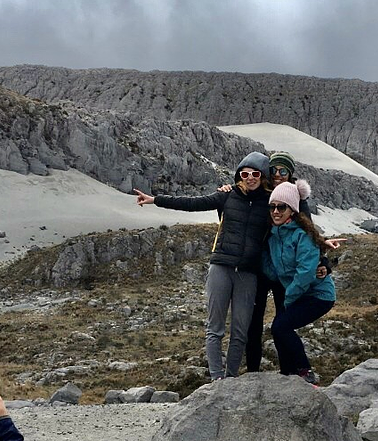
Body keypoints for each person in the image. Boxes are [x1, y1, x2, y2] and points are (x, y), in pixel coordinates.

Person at [134, 152, 272, 380]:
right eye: (245, 173)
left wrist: (321, 246)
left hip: (248, 272)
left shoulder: (269, 203)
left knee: (240, 331)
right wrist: (155, 199)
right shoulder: (227, 196)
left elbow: (293, 215)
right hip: (221, 266)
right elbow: (192, 203)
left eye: (255, 173)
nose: (250, 177)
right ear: (239, 175)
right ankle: (217, 379)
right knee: (214, 328)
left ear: (263, 176)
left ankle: (230, 378)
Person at [245, 151, 337, 372]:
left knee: (281, 325)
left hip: (301, 288)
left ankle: (296, 371)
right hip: (275, 273)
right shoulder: (257, 189)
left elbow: (310, 243)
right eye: (274, 170)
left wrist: (324, 263)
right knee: (258, 324)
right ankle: (257, 372)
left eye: (283, 170)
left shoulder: (297, 212)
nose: (277, 174)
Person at [261, 182, 337, 383]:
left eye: (281, 207)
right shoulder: (273, 237)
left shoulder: (303, 236)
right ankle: (288, 374)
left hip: (318, 296)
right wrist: (260, 256)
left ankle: (305, 372)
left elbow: (305, 273)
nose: (276, 211)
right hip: (299, 294)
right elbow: (275, 271)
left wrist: (288, 299)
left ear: (292, 211)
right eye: (272, 207)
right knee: (279, 328)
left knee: (281, 326)